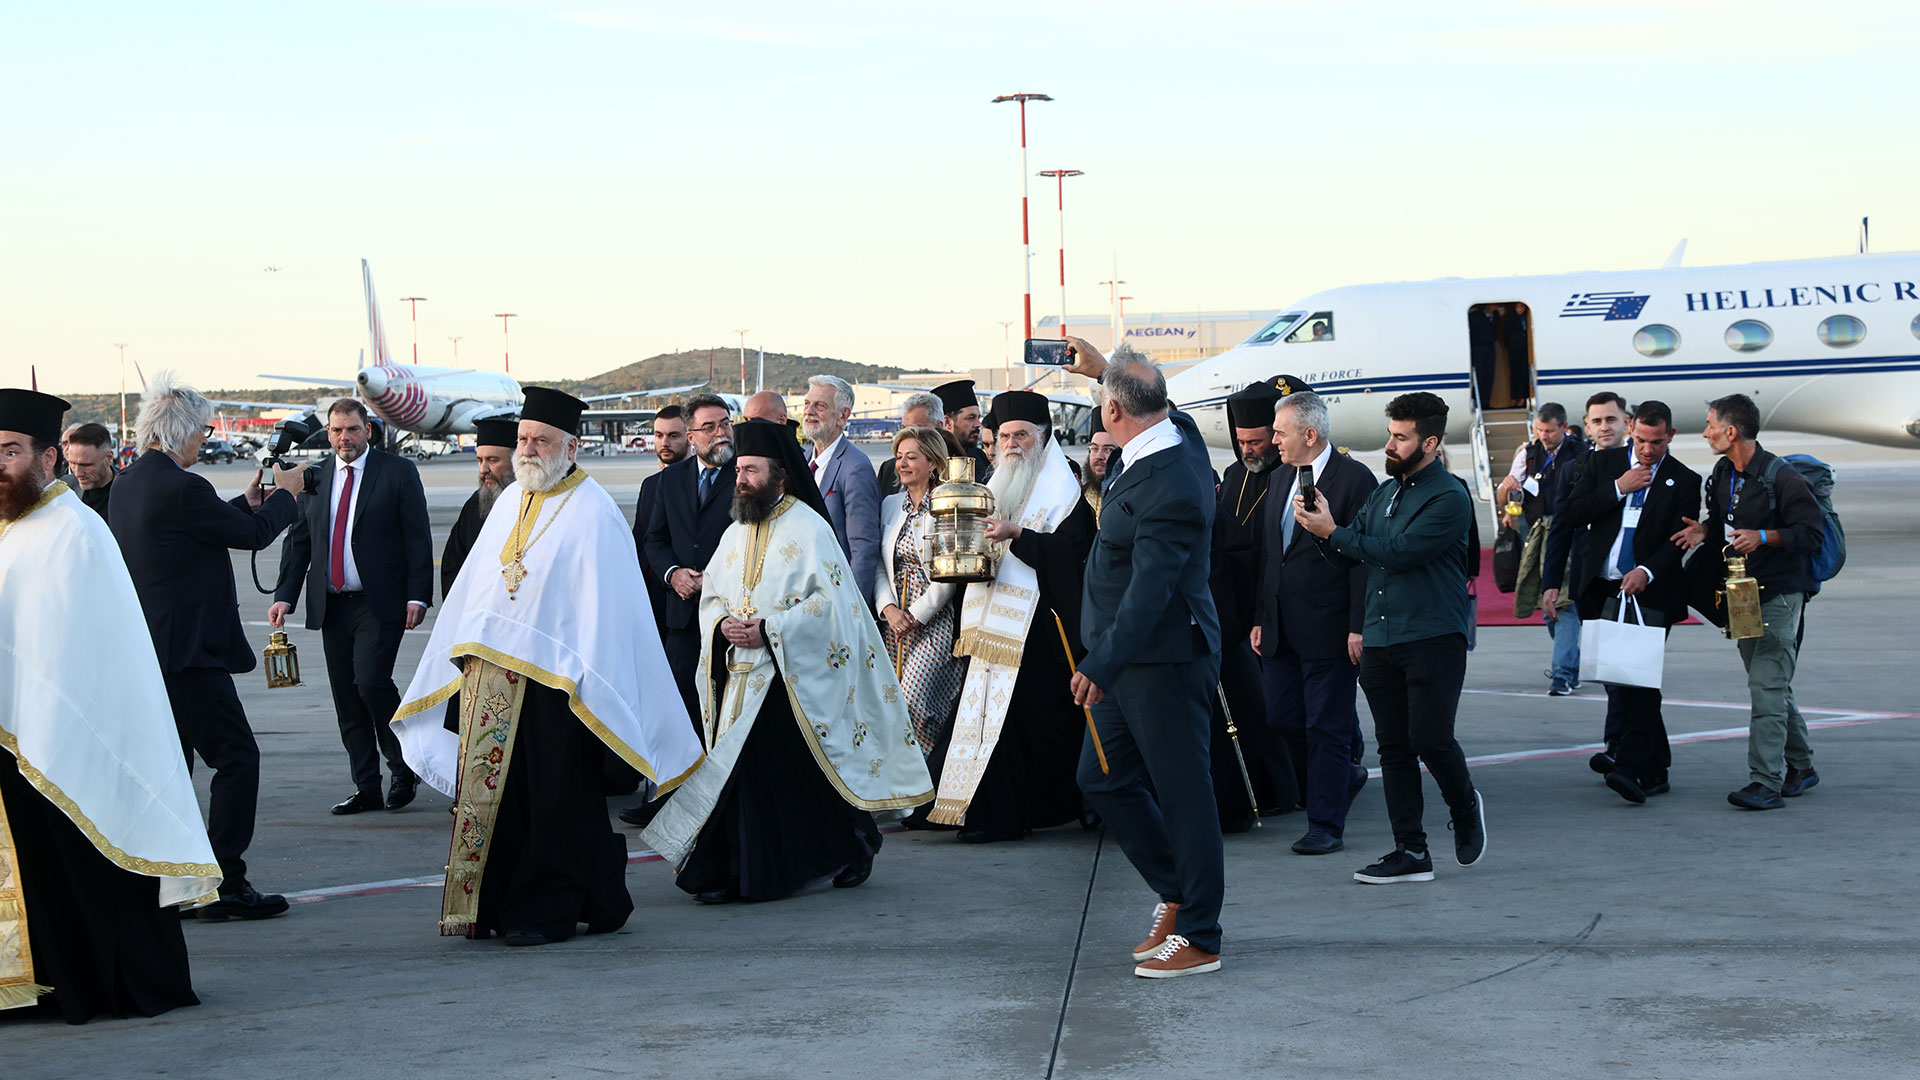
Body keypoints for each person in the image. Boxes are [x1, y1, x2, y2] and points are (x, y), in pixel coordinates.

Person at [391, 388, 703, 946]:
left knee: (555, 799)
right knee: (496, 798)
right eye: (523, 440)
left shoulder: (594, 510)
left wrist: (573, 665)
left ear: (571, 446)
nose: (528, 450)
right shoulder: (510, 501)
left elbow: (606, 609)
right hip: (491, 679)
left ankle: (548, 910)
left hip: (558, 689)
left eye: (541, 440)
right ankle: (492, 904)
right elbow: (476, 586)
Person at [641, 420, 933, 904]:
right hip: (742, 675)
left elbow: (831, 605)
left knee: (788, 773)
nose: (741, 479)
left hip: (792, 677)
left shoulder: (809, 526)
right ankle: (733, 868)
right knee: (756, 775)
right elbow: (713, 592)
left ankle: (839, 848)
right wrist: (723, 626)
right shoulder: (737, 529)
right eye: (739, 469)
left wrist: (771, 631)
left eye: (751, 470)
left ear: (779, 475)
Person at [0, 388, 221, 1023]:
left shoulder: (74, 531)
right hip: (18, 737)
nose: (1, 465)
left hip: (67, 741)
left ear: (48, 459)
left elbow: (84, 655)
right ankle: (37, 980)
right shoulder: (13, 527)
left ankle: (94, 984)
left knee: (77, 868)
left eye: (11, 452)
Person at [110, 372, 308, 921]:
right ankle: (225, 880)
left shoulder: (132, 481)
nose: (206, 437)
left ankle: (174, 881)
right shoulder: (182, 487)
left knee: (175, 767)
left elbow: (205, 525)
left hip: (153, 650)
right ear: (178, 430)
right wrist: (286, 497)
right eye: (202, 429)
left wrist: (244, 503)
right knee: (237, 759)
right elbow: (249, 537)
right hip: (190, 653)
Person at [1058, 339, 1224, 980]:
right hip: (1126, 661)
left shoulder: (1175, 483)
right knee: (1102, 780)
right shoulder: (1172, 432)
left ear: (1113, 414)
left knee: (1185, 796)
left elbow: (1152, 593)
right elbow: (1161, 405)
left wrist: (1101, 663)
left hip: (1161, 659)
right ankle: (1178, 893)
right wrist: (1102, 370)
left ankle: (1202, 935)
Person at [1292, 391, 1486, 885]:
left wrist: (1334, 532)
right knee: (1394, 747)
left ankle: (1464, 805)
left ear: (1431, 443)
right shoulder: (1384, 492)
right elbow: (1352, 550)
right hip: (1380, 639)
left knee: (1430, 738)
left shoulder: (1448, 496)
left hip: (1431, 637)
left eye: (1401, 437)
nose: (1391, 444)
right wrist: (1323, 531)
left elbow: (1399, 552)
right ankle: (1411, 851)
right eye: (1391, 434)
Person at [929, 391, 1095, 842]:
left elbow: (1073, 559)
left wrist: (1019, 534)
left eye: (1022, 434)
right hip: (990, 629)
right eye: (1004, 436)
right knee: (986, 720)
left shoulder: (1065, 497)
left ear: (1043, 437)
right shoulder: (996, 484)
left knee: (1036, 722)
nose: (1012, 444)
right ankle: (984, 809)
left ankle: (1038, 808)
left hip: (1043, 632)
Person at [268, 399, 434, 815]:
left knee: (371, 682)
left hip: (380, 603)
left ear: (369, 431)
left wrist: (419, 594)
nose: (345, 437)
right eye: (338, 430)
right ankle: (367, 786)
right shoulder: (315, 477)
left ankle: (403, 767)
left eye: (353, 429)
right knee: (346, 696)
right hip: (332, 604)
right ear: (328, 432)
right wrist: (285, 594)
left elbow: (417, 537)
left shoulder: (397, 472)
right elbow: (300, 539)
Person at [1673, 393, 1826, 811]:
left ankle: (1766, 782)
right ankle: (1803, 766)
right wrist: (1706, 532)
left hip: (1779, 593)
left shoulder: (1784, 478)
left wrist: (1765, 537)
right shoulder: (1725, 471)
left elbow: (1813, 536)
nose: (1705, 432)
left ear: (1731, 431)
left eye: (1710, 425)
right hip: (1741, 596)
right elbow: (1724, 519)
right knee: (1770, 684)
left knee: (1766, 685)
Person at [1254, 388, 1378, 856]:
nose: (1274, 441)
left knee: (1326, 726)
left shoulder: (1355, 480)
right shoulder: (1279, 477)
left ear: (1310, 434)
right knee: (1281, 717)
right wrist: (1262, 617)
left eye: (1281, 433)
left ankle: (1325, 824)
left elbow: (1365, 560)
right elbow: (1272, 557)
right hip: (1281, 628)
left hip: (1331, 628)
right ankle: (1345, 774)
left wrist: (1358, 624)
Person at [1558, 400, 1700, 805]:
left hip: (1649, 591)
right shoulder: (1604, 465)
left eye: (1657, 442)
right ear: (1632, 429)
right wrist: (1620, 487)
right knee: (1621, 677)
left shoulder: (1684, 480)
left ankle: (1633, 767)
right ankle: (1655, 764)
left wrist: (1648, 571)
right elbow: (1570, 513)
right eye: (1641, 440)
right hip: (1602, 587)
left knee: (1639, 677)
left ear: (1670, 436)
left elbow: (1679, 543)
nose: (1648, 450)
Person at [1207, 379, 1303, 832]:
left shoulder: (1291, 478)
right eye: (1241, 442)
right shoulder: (1232, 476)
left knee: (1285, 712)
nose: (1249, 450)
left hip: (1277, 609)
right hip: (1236, 612)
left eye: (1257, 442)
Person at [640, 394, 737, 730]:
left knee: (726, 713)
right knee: (680, 711)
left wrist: (710, 580)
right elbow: (655, 538)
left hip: (731, 615)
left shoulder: (746, 476)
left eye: (725, 423)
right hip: (681, 618)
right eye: (709, 427)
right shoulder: (671, 479)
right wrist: (673, 573)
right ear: (692, 437)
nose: (720, 433)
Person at [1542, 392, 1631, 756]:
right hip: (1592, 583)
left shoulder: (1645, 462)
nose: (1604, 427)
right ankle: (1619, 743)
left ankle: (1622, 746)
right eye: (1597, 421)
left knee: (1631, 672)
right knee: (1611, 672)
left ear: (1627, 421)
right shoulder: (1574, 468)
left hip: (1635, 584)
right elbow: (1561, 527)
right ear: (1586, 425)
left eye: (1611, 419)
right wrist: (1550, 584)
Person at [875, 425, 965, 760]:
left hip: (933, 619)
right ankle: (899, 780)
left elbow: (950, 573)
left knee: (916, 698)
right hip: (893, 620)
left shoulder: (947, 504)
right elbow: (878, 564)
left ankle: (926, 776)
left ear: (933, 462)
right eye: (899, 457)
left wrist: (915, 616)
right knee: (889, 700)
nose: (902, 464)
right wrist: (888, 610)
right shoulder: (888, 505)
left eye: (911, 457)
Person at [1501, 403, 1586, 695]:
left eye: (1549, 430)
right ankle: (1571, 665)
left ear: (1564, 427)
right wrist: (1509, 494)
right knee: (1546, 601)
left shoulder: (1581, 452)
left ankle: (1562, 674)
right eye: (1539, 430)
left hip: (1571, 533)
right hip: (1538, 534)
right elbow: (1508, 493)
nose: (1544, 436)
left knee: (1564, 604)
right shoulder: (1528, 453)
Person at [801, 374, 881, 609]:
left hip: (837, 600)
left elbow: (864, 548)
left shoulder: (856, 467)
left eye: (820, 405)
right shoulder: (803, 463)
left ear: (843, 415)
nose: (809, 411)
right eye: (807, 403)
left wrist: (853, 609)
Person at [441, 418, 518, 600]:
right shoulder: (475, 504)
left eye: (492, 460)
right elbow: (454, 563)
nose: (484, 469)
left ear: (516, 462)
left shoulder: (535, 503)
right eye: (479, 460)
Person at [632, 404, 687, 629]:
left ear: (689, 436)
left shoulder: (700, 486)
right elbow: (639, 538)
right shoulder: (650, 484)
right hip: (649, 593)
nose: (665, 443)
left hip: (684, 591)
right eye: (659, 435)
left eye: (673, 435)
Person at [876, 391, 944, 496]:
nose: (908, 435)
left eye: (916, 429)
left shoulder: (955, 471)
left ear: (939, 426)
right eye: (904, 428)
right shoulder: (888, 469)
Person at [933, 378, 993, 482]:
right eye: (971, 418)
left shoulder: (979, 456)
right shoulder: (934, 460)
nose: (978, 424)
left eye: (978, 418)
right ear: (947, 422)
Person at [60, 422, 117, 521]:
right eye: (73, 464)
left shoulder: (130, 490)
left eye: (86, 465)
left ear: (109, 458)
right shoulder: (66, 486)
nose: (78, 473)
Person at [1082, 410, 1117, 517]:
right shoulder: (1080, 496)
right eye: (1094, 448)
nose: (1098, 456)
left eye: (1108, 449)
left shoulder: (1129, 498)